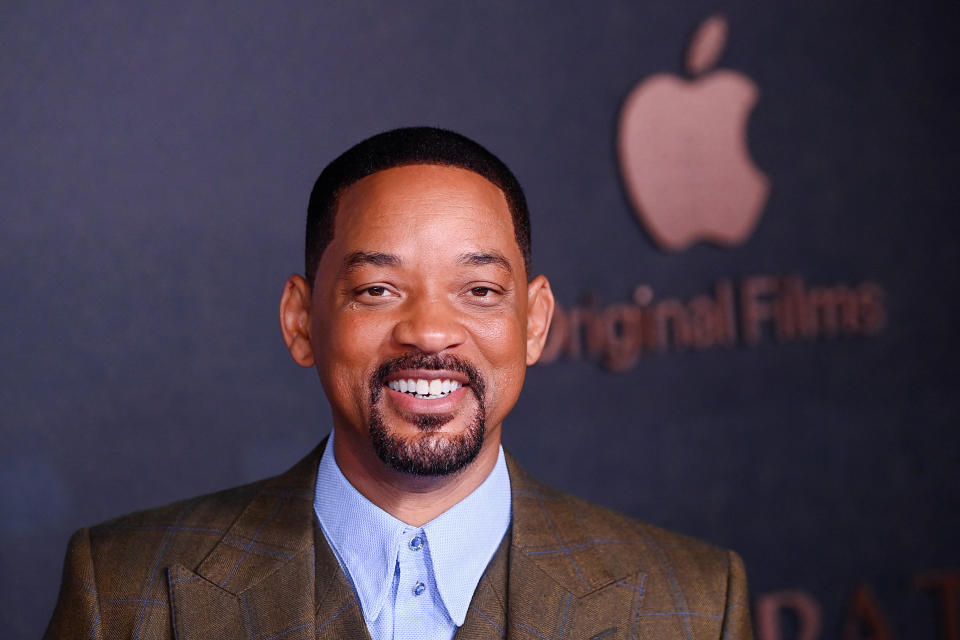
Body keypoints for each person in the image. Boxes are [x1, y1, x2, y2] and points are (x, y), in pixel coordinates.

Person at [44, 127, 753, 639]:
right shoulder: (127, 595)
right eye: (378, 289)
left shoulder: (692, 605)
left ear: (534, 322)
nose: (430, 332)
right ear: (300, 320)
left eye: (478, 290)